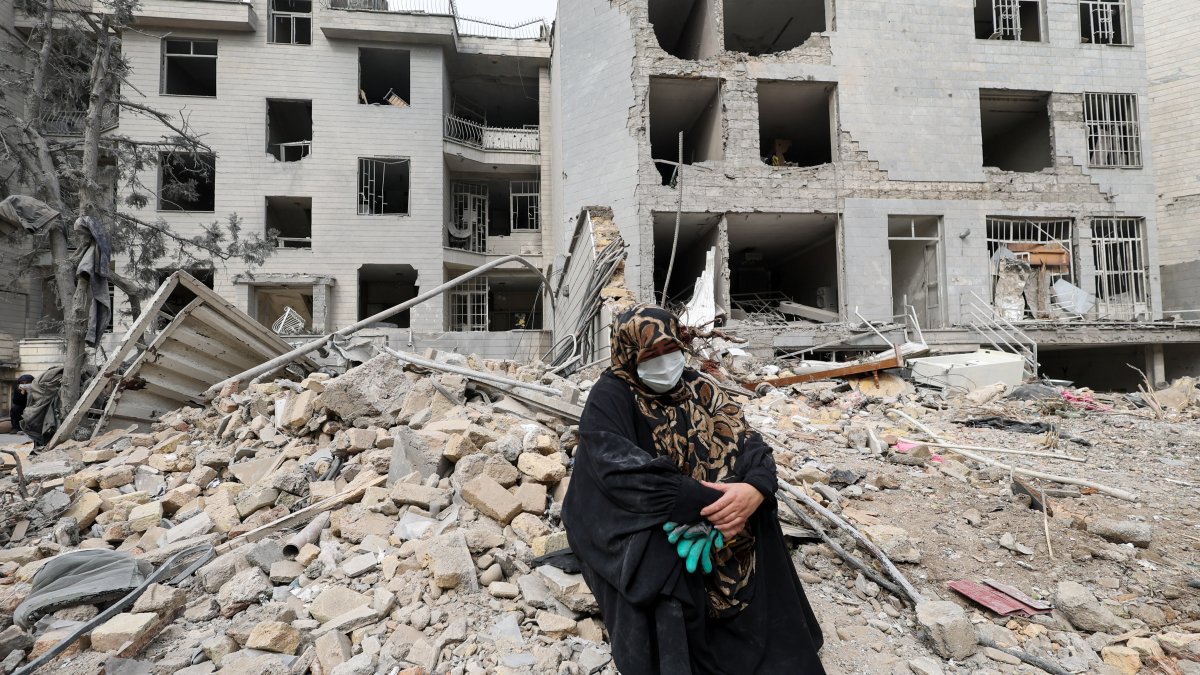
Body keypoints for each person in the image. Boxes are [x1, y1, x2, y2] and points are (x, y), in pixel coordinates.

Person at [563, 305, 826, 675]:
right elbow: (622, 474)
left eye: (669, 349)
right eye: (649, 354)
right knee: (661, 563)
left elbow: (750, 443)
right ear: (627, 354)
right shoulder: (610, 397)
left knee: (761, 516)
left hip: (702, 505)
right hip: (622, 514)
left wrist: (753, 489)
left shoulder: (700, 387)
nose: (663, 362)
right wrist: (717, 506)